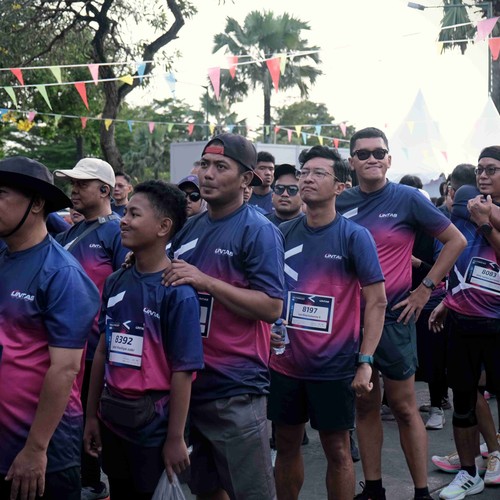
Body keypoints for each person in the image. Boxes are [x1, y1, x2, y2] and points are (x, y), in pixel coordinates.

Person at [336, 127, 466, 500]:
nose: (371, 158)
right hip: (352, 321)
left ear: (389, 159)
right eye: (363, 153)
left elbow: (455, 241)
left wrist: (425, 289)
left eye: (379, 152)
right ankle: (374, 488)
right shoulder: (341, 203)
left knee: (405, 407)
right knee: (365, 405)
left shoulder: (407, 198)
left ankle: (421, 492)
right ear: (352, 162)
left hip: (395, 317)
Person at [163, 132, 284, 499]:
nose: (208, 174)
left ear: (246, 179)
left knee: (252, 494)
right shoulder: (191, 226)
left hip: (235, 389)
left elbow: (272, 307)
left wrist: (207, 282)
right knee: (206, 489)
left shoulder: (258, 230)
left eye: (220, 166)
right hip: (189, 385)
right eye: (204, 164)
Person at [268, 146, 387, 500]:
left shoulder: (354, 236)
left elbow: (377, 301)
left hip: (334, 366)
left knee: (337, 449)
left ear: (340, 187)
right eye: (304, 172)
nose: (307, 178)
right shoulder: (282, 233)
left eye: (319, 173)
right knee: (286, 444)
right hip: (285, 364)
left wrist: (366, 361)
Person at [83, 180, 204, 499]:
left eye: (134, 214)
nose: (123, 220)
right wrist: (92, 416)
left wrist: (175, 437)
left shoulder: (177, 293)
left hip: (153, 427)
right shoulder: (116, 280)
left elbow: (183, 371)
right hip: (112, 420)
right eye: (125, 213)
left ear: (163, 227)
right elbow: (103, 349)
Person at [0, 156, 100, 500]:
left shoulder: (62, 274)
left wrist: (36, 449)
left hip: (42, 455)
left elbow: (66, 369)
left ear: (36, 204)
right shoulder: (4, 259)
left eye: (1, 194)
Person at [54, 158, 129, 500]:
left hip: (99, 350)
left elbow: (126, 289)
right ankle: (84, 481)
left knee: (92, 419)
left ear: (104, 190)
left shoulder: (117, 232)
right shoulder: (70, 232)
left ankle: (95, 483)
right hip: (66, 347)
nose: (74, 190)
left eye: (82, 184)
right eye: (73, 183)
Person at [429, 147, 500, 498]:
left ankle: (495, 454)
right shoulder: (465, 208)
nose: (483, 175)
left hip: (497, 325)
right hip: (463, 322)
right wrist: (447, 300)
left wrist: (486, 222)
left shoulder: (484, 214)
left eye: (492, 169)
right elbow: (462, 263)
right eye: (480, 169)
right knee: (463, 400)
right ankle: (469, 472)